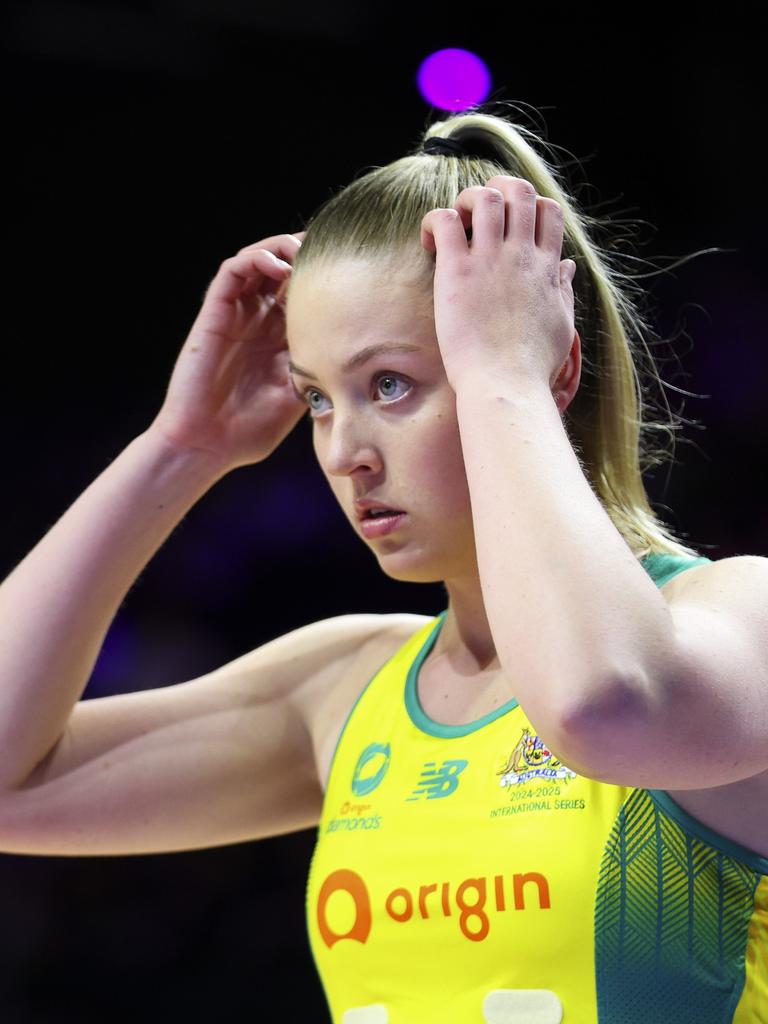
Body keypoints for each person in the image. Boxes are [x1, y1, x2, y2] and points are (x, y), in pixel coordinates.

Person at [0, 104, 766, 1023]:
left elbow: (600, 711)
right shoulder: (346, 687)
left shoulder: (738, 616)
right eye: (318, 398)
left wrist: (503, 379)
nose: (343, 452)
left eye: (390, 385)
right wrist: (180, 447)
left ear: (551, 367)